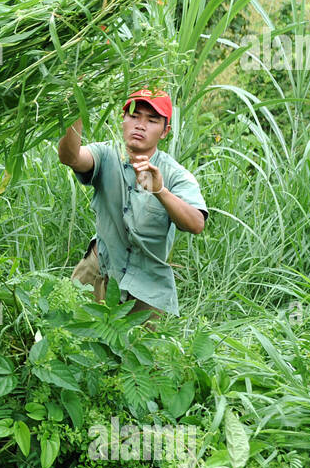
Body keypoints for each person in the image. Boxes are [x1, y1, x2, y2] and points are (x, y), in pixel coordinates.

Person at [57, 88, 207, 328]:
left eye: (152, 120)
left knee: (136, 362)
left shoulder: (174, 174)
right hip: (95, 273)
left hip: (145, 290)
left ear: (165, 131)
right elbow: (71, 157)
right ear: (123, 118)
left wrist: (160, 191)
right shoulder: (107, 154)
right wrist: (77, 108)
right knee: (69, 346)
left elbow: (196, 224)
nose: (141, 125)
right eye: (135, 116)